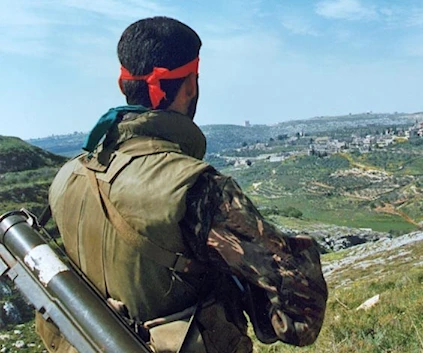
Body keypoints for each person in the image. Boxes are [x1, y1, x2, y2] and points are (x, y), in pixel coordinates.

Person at [38, 16, 328, 353]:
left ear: (123, 84)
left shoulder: (68, 176)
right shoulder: (197, 190)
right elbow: (301, 313)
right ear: (190, 85)